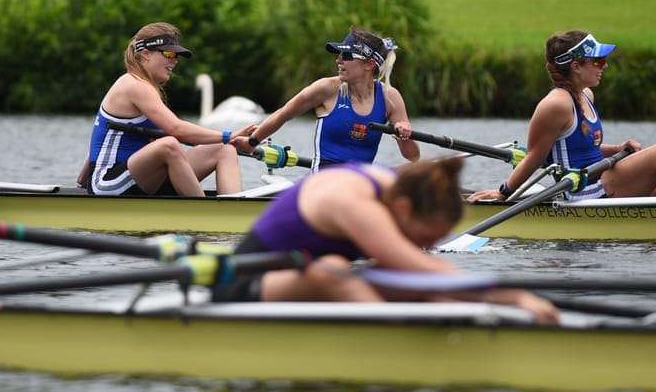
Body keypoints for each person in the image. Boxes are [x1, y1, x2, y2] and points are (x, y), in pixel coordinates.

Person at [213, 155, 559, 321]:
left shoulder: (390, 188)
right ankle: (397, 344)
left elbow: (423, 272)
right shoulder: (356, 203)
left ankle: (466, 327)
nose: (428, 246)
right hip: (241, 287)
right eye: (427, 236)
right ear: (405, 209)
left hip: (294, 278)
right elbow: (421, 268)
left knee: (417, 282)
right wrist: (516, 297)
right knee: (333, 269)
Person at [470, 30, 656, 203]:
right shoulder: (555, 105)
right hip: (583, 191)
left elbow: (582, 149)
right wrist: (504, 193)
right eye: (598, 61)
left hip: (605, 180)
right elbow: (535, 157)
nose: (605, 66)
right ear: (576, 67)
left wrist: (617, 149)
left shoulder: (586, 94)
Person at [84, 22, 254, 197]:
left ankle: (233, 206)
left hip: (142, 178)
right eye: (169, 53)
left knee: (223, 149)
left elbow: (100, 139)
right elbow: (176, 129)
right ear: (145, 54)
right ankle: (207, 214)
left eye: (177, 55)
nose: (175, 60)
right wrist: (229, 136)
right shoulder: (133, 84)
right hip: (107, 183)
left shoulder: (148, 88)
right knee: (169, 145)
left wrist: (227, 142)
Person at [247, 26, 420, 171]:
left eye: (346, 56)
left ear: (369, 65)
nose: (338, 61)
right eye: (338, 55)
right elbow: (283, 114)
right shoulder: (326, 89)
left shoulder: (390, 97)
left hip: (360, 184)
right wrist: (252, 141)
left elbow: (413, 156)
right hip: (324, 183)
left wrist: (406, 136)